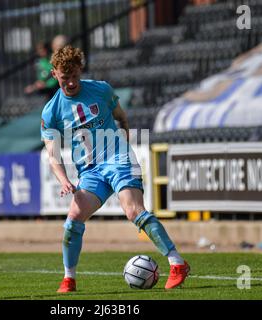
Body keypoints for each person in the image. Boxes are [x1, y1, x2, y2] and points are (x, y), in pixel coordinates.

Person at [41, 45, 190, 293]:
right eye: (65, 78)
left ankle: (177, 263)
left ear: (80, 70)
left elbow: (121, 117)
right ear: (54, 73)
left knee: (133, 211)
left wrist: (124, 149)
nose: (70, 83)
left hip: (117, 158)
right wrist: (64, 180)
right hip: (90, 173)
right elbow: (52, 153)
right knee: (73, 221)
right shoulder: (52, 110)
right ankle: (69, 279)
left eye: (75, 76)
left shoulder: (100, 89)